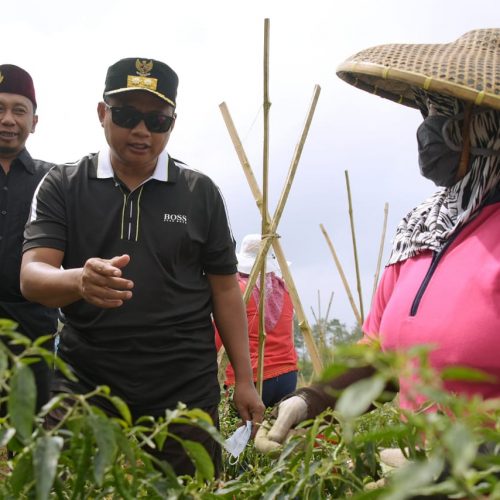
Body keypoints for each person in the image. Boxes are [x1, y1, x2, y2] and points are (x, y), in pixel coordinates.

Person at [19, 57, 264, 476]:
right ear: (102, 113)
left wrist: (244, 378)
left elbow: (225, 290)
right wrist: (78, 280)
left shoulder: (199, 192)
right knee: (65, 481)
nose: (141, 131)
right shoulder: (64, 184)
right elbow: (32, 276)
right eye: (127, 115)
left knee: (188, 486)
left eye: (158, 120)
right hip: (86, 377)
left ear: (172, 122)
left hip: (183, 380)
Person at [256, 28, 500, 449]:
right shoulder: (423, 227)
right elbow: (382, 355)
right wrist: (309, 401)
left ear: (486, 127)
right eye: (427, 115)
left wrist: (468, 460)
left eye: (444, 117)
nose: (427, 132)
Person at [0, 64, 58, 413]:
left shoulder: (53, 180)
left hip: (33, 335)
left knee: (31, 442)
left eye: (19, 110)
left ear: (34, 121)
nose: (8, 119)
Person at [216, 233, 299, 407]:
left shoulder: (237, 292)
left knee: (243, 430)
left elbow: (218, 338)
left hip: (252, 379)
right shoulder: (284, 290)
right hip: (287, 375)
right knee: (274, 430)